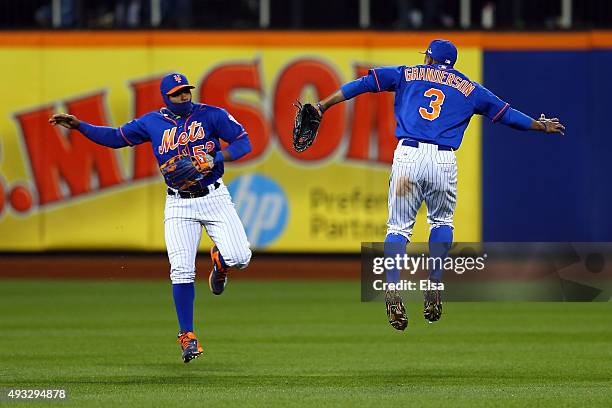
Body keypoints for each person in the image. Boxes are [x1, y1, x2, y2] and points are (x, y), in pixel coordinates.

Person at [313, 39, 565, 330]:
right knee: (441, 221)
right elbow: (507, 114)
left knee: (398, 228)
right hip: (443, 162)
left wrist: (324, 104)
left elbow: (364, 83)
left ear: (430, 59)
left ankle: (393, 289)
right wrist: (539, 124)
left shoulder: (407, 73)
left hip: (408, 156)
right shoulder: (470, 88)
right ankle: (434, 284)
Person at [49, 73, 252, 362]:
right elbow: (115, 138)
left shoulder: (212, 115)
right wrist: (80, 126)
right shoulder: (151, 122)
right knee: (181, 270)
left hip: (213, 197)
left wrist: (215, 158)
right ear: (165, 97)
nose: (184, 97)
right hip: (178, 204)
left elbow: (244, 144)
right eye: (177, 93)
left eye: (186, 91)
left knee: (240, 258)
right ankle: (187, 335)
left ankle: (220, 262)